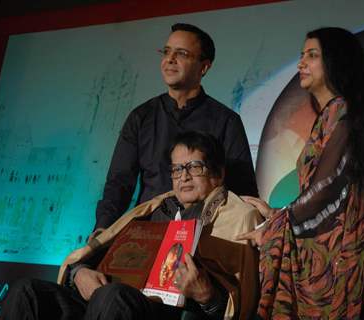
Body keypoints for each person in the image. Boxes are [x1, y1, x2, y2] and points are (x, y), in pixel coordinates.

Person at [238, 27, 364, 319]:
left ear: (336, 62)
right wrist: (276, 215)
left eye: (312, 55)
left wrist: (274, 227)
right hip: (340, 255)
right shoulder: (330, 116)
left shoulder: (348, 114)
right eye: (302, 55)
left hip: (351, 261)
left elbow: (329, 184)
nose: (301, 63)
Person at [0, 131, 261, 320]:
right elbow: (96, 254)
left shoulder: (239, 216)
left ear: (218, 174)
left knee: (112, 297)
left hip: (159, 310)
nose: (184, 176)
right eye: (177, 169)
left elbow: (242, 304)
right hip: (108, 300)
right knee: (27, 292)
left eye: (194, 167)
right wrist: (78, 272)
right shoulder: (156, 208)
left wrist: (207, 296)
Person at [93, 23, 258, 236]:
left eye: (181, 53)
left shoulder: (226, 120)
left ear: (204, 67)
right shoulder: (141, 117)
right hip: (148, 233)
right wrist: (103, 227)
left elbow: (243, 190)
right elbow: (119, 183)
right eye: (166, 51)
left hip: (206, 238)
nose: (169, 59)